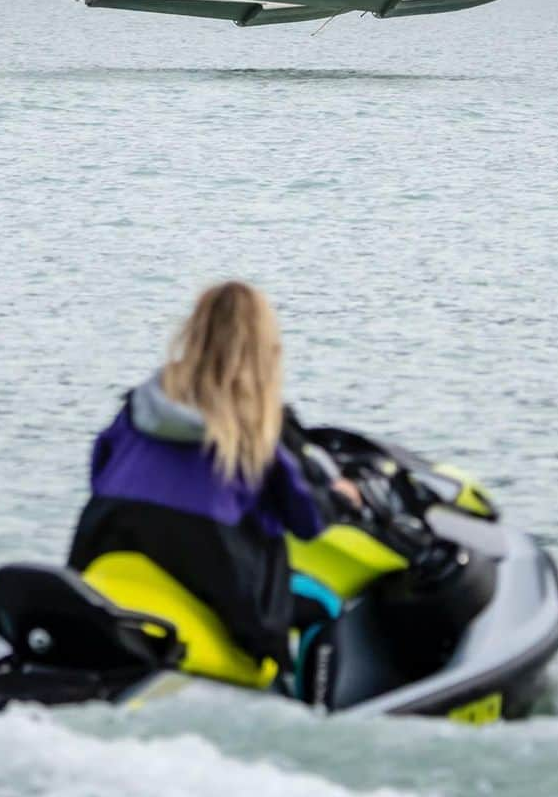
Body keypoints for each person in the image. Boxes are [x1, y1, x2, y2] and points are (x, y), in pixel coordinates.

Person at [67, 281, 353, 669]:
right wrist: (338, 496)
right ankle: (309, 712)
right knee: (324, 605)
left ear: (195, 331)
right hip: (209, 560)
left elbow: (100, 468)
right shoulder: (256, 421)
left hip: (107, 535)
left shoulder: (144, 403)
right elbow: (306, 519)